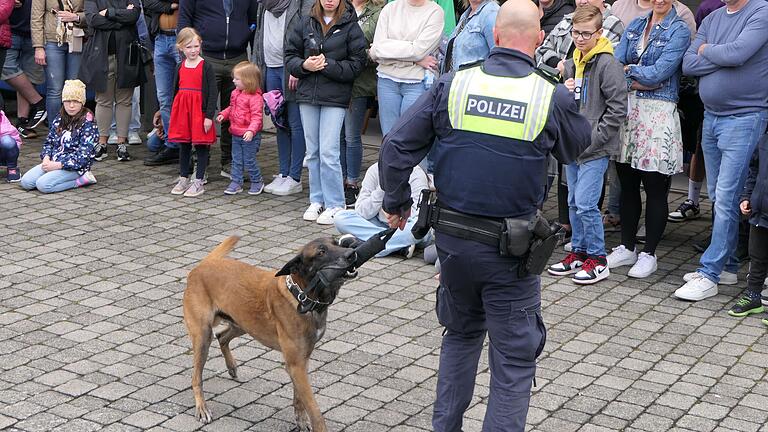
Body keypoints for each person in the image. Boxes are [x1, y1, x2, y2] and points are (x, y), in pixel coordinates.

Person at [378, 0, 592, 429]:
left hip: (453, 246)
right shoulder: (547, 92)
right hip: (511, 255)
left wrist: (396, 202)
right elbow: (575, 148)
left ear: (495, 36)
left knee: (459, 338)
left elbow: (395, 146)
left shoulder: (452, 84)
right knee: (513, 363)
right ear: (539, 39)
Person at [675, 0, 768, 301]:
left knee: (727, 196)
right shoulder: (712, 17)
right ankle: (728, 266)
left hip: (746, 116)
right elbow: (688, 63)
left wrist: (709, 51)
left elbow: (739, 53)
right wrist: (722, 55)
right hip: (712, 116)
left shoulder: (761, 11)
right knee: (717, 196)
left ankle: (710, 273)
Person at [606, 0, 689, 279]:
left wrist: (630, 72)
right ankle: (626, 246)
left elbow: (661, 73)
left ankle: (649, 254)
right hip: (629, 113)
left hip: (657, 115)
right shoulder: (636, 24)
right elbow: (616, 66)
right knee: (627, 183)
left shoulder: (679, 29)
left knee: (655, 187)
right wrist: (634, 77)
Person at [547, 5, 627, 285]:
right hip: (572, 148)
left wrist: (592, 141)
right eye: (576, 33)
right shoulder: (572, 62)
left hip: (594, 149)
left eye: (585, 33)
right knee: (572, 201)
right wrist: (562, 91)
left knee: (586, 204)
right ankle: (579, 252)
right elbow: (565, 106)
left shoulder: (608, 64)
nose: (579, 38)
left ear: (599, 32)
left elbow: (617, 110)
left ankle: (598, 258)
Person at [284, 0, 367, 225]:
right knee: (313, 152)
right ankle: (316, 199)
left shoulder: (350, 24)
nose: (329, 0)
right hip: (307, 95)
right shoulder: (305, 21)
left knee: (329, 152)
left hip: (336, 97)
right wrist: (304, 66)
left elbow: (358, 63)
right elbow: (289, 56)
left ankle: (335, 204)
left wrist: (328, 65)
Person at [177, 0, 259, 179]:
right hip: (206, 57)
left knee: (236, 112)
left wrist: (253, 53)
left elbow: (253, 19)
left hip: (238, 57)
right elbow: (184, 18)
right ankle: (201, 164)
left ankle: (229, 162)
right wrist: (185, 54)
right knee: (201, 111)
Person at [253, 0, 312, 197]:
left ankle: (295, 178)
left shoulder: (300, 3)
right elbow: (259, 38)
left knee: (296, 124)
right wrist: (257, 68)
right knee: (280, 122)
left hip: (291, 69)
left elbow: (308, 34)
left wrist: (299, 67)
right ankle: (283, 172)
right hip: (270, 68)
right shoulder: (264, 5)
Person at [79, 0, 146, 163]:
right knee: (103, 100)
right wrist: (121, 20)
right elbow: (93, 20)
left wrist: (109, 13)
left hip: (127, 54)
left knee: (125, 101)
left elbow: (134, 16)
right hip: (101, 54)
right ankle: (102, 143)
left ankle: (121, 143)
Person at [368, 0, 443, 136]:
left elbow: (418, 51)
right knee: (389, 137)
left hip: (417, 83)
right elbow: (375, 51)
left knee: (412, 138)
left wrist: (389, 49)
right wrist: (416, 60)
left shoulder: (435, 12)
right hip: (387, 80)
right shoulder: (390, 8)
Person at [340, 0, 384, 207]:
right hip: (335, 80)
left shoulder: (378, 13)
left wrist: (353, 55)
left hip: (359, 83)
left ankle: (351, 183)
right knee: (337, 135)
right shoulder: (340, 7)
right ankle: (337, 179)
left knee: (351, 135)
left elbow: (378, 50)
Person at [334, 162, 431, 257]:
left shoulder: (416, 174)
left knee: (417, 229)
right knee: (340, 218)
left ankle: (370, 246)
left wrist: (398, 214)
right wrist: (382, 188)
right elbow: (362, 212)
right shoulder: (374, 170)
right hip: (379, 224)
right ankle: (397, 246)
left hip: (405, 227)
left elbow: (418, 215)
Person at [20, 79, 98, 193]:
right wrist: (46, 158)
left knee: (43, 185)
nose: (71, 105)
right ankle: (54, 175)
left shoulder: (88, 122)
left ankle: (81, 180)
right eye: (68, 101)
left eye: (76, 101)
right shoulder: (60, 117)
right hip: (53, 161)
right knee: (26, 182)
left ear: (82, 102)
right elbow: (49, 142)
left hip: (75, 167)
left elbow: (84, 156)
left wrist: (58, 165)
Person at [167, 27, 217, 198]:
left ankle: (199, 180)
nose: (193, 50)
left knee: (201, 145)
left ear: (200, 45)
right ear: (180, 47)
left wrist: (209, 116)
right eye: (188, 47)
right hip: (183, 112)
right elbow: (175, 91)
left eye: (196, 46)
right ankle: (183, 178)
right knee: (184, 144)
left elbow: (212, 93)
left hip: (199, 113)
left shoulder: (206, 66)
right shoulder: (180, 66)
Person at [729, 134, 768, 319]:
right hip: (760, 211)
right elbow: (754, 171)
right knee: (757, 256)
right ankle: (753, 296)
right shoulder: (764, 139)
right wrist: (747, 196)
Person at [31, 0, 86, 126]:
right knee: (55, 89)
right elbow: (36, 18)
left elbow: (91, 12)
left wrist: (76, 17)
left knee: (74, 87)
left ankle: (74, 129)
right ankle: (55, 129)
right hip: (52, 40)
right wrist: (38, 47)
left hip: (76, 38)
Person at [217, 61, 265, 195]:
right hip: (236, 132)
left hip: (249, 135)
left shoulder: (255, 98)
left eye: (237, 79)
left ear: (248, 81)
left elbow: (257, 118)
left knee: (249, 160)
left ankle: (257, 181)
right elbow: (232, 108)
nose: (233, 81)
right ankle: (236, 182)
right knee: (236, 159)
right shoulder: (235, 93)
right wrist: (223, 114)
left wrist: (251, 130)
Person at [142, 0, 181, 166]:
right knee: (164, 97)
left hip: (183, 40)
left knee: (185, 93)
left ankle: (187, 144)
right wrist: (169, 6)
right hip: (160, 38)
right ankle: (172, 145)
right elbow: (148, 2)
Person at [4, 0, 48, 138]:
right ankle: (39, 104)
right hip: (11, 28)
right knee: (6, 67)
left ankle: (22, 122)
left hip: (37, 31)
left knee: (28, 77)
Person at [439, 0, 499, 74]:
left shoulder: (491, 13)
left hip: (476, 83)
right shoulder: (466, 14)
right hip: (457, 83)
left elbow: (499, 58)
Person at [0, 109, 22, 182]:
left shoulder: (2, 119)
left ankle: (12, 167)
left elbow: (14, 138)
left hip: (3, 153)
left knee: (7, 142)